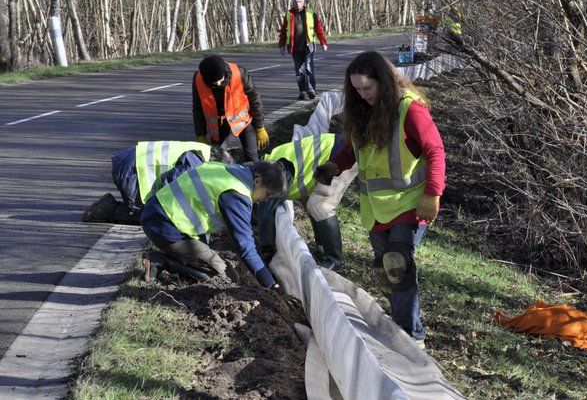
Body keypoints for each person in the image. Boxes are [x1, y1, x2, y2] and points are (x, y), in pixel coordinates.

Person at [314, 51, 446, 346]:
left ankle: (411, 337)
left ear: (383, 83)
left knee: (397, 264)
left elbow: (435, 152)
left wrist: (432, 195)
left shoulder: (410, 110)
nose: (363, 96)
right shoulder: (363, 111)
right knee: (385, 271)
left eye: (368, 89)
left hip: (411, 202)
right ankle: (403, 323)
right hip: (377, 208)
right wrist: (336, 165)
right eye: (357, 90)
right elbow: (355, 148)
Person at [140, 160, 286, 288]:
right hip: (164, 227)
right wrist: (270, 284)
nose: (266, 199)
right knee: (227, 278)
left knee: (213, 262)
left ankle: (174, 257)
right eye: (267, 194)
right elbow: (246, 248)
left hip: (157, 214)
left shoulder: (227, 170)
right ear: (257, 181)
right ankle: (159, 261)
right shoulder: (237, 194)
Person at [257, 133, 357, 271]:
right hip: (337, 150)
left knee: (320, 206)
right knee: (312, 204)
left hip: (340, 156)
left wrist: (267, 250)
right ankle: (322, 249)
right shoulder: (268, 164)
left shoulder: (270, 175)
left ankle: (334, 260)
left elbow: (266, 210)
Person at [82, 141, 232, 225]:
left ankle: (111, 206)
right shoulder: (197, 160)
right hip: (131, 169)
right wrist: (160, 204)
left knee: (152, 214)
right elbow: (174, 181)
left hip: (130, 163)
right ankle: (106, 209)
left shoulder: (201, 151)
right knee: (147, 216)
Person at [193, 54, 269, 162]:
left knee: (252, 159)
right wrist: (200, 135)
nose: (218, 84)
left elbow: (254, 99)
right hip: (218, 126)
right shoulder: (198, 80)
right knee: (218, 161)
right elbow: (197, 108)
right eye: (214, 83)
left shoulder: (240, 73)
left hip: (244, 123)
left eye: (220, 80)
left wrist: (260, 127)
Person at [278, 0, 328, 100]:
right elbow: (283, 31)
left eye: (300, 1)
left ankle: (311, 90)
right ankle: (302, 91)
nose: (298, 4)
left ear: (303, 2)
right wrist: (281, 45)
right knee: (299, 71)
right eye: (295, 2)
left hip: (308, 45)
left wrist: (323, 42)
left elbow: (319, 29)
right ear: (293, 3)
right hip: (294, 47)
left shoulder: (310, 13)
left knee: (309, 68)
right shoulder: (289, 15)